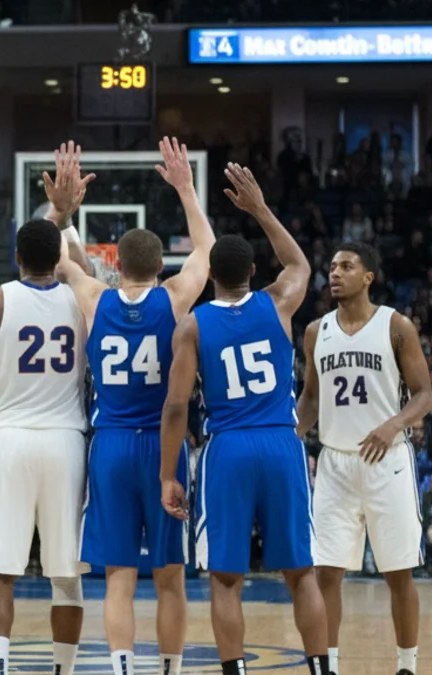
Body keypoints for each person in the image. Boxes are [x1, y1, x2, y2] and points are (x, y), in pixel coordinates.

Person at [159, 164, 329, 675]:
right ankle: (322, 668)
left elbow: (176, 406)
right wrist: (259, 208)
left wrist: (169, 474)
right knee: (301, 573)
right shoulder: (278, 304)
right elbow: (300, 265)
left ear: (209, 276)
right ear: (255, 272)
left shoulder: (192, 324)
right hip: (281, 443)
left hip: (227, 448)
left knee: (225, 577)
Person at [58, 138, 215, 675]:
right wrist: (187, 190)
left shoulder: (94, 297)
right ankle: (170, 669)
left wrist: (63, 211)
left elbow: (59, 261)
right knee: (170, 575)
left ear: (114, 263)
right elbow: (207, 252)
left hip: (111, 446)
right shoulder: (174, 299)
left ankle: (123, 668)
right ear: (159, 264)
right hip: (164, 448)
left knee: (119, 575)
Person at [0, 217, 88, 675]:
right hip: (66, 442)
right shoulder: (82, 298)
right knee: (66, 575)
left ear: (16, 257)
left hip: (10, 440)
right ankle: (62, 671)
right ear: (59, 259)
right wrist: (70, 223)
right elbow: (89, 276)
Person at [296, 241, 432, 675]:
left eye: (346, 266)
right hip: (335, 463)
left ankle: (407, 665)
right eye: (332, 266)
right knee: (326, 573)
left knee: (398, 573)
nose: (334, 273)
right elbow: (312, 397)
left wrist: (395, 424)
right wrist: (290, 436)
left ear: (368, 277)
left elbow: (425, 395)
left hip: (387, 461)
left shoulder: (396, 326)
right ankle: (330, 666)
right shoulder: (316, 331)